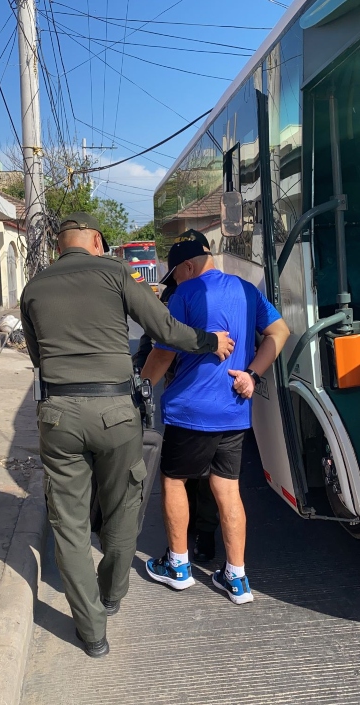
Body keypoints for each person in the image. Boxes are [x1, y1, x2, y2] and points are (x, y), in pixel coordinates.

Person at [19, 212, 235, 658]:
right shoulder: (116, 273)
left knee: (69, 524)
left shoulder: (34, 287)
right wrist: (212, 342)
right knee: (121, 506)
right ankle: (112, 595)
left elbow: (39, 358)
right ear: (97, 240)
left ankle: (92, 633)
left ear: (61, 243)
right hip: (117, 413)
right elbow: (165, 330)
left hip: (58, 415)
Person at [140, 238, 290, 604]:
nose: (174, 283)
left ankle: (178, 566)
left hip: (191, 411)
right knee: (228, 489)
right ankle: (236, 578)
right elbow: (279, 332)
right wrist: (252, 375)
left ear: (187, 267)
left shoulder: (184, 294)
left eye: (174, 275)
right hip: (234, 410)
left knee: (174, 480)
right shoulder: (245, 289)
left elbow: (162, 353)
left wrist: (140, 389)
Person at [131, 229, 221, 562]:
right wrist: (143, 379)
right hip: (181, 393)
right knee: (186, 473)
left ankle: (205, 535)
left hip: (209, 393)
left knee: (205, 473)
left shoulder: (221, 293)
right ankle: (188, 532)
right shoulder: (172, 296)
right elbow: (151, 345)